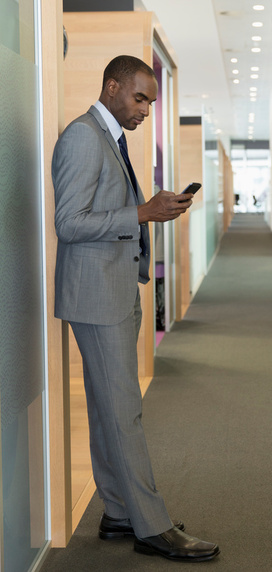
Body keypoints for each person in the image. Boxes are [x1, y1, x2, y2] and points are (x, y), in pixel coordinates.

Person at [52, 55, 220, 562]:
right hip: (97, 297)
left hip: (116, 288)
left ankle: (119, 511)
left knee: (110, 411)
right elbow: (69, 222)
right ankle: (152, 526)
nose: (146, 109)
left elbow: (104, 212)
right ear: (111, 88)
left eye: (151, 100)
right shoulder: (83, 136)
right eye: (140, 98)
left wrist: (151, 210)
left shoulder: (111, 138)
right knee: (124, 412)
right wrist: (143, 212)